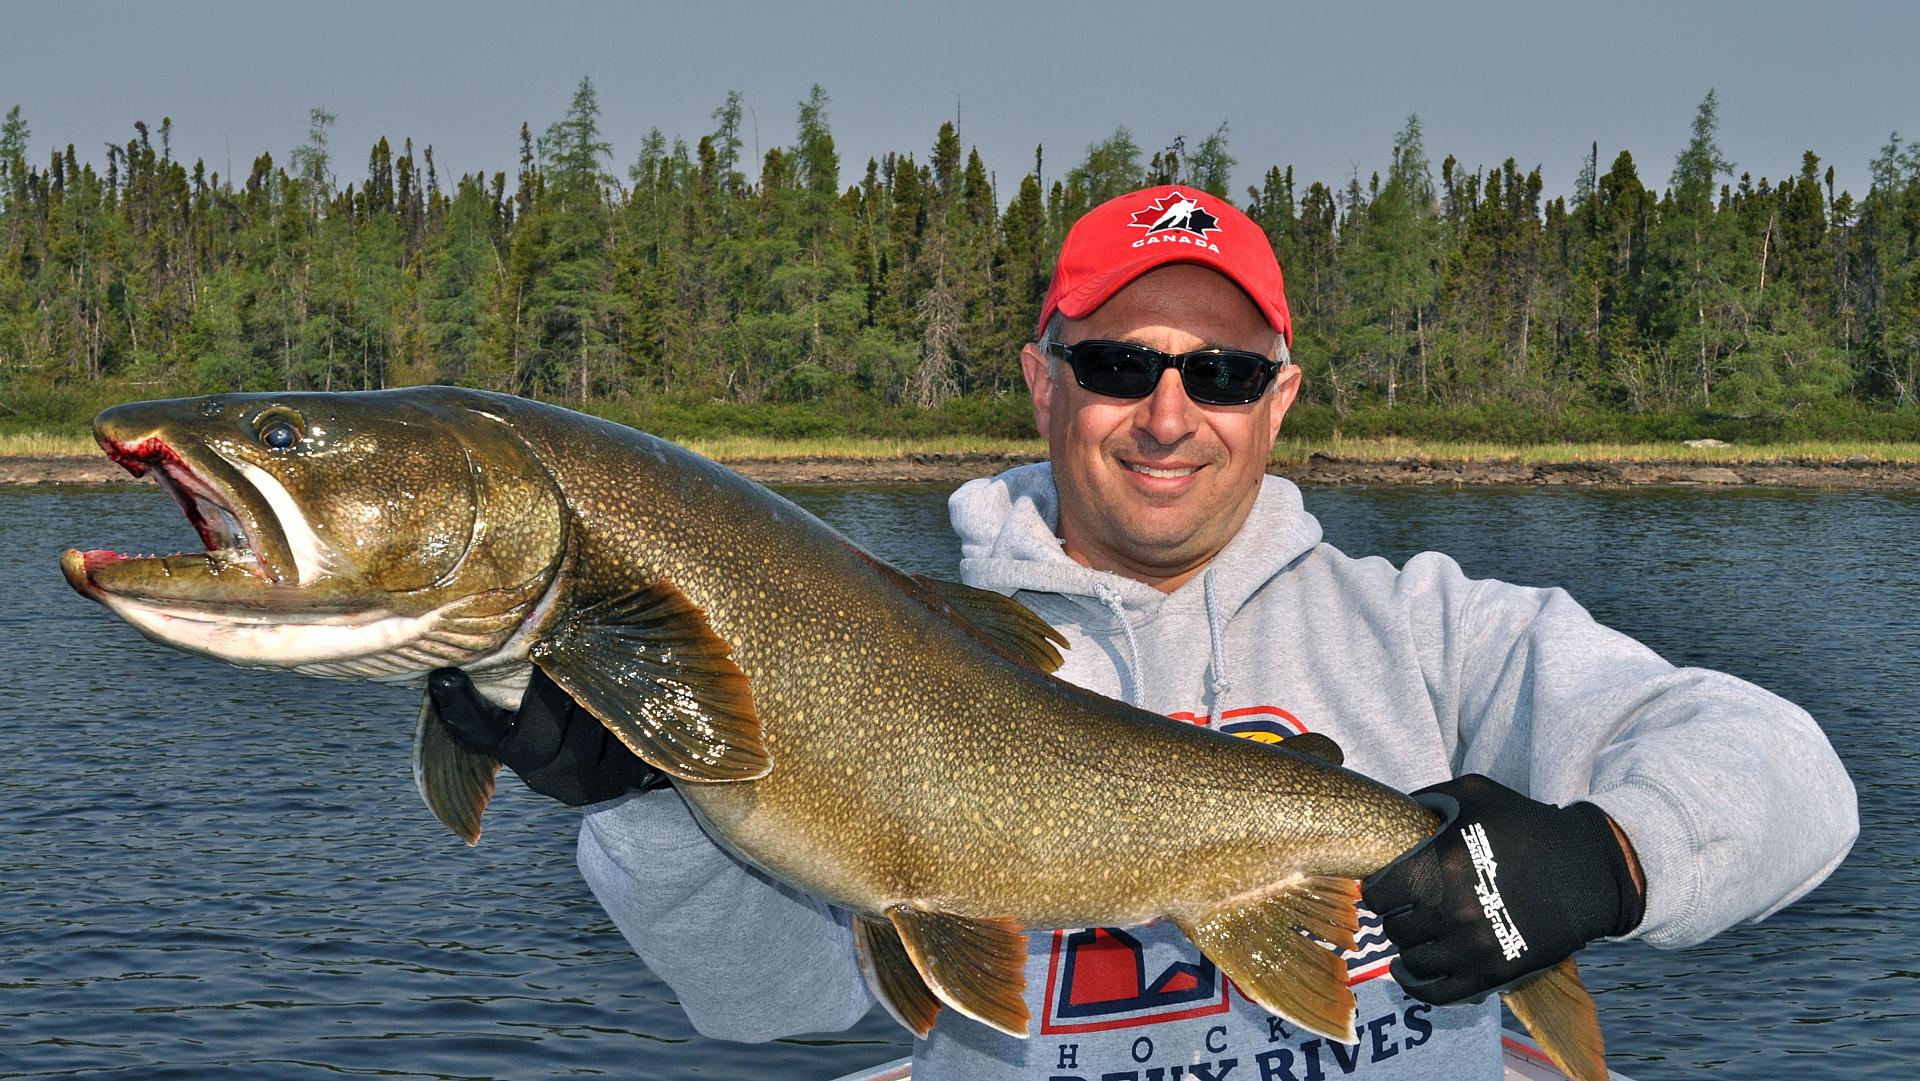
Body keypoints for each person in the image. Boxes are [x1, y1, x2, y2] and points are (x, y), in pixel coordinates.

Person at [427, 184, 1858, 1080]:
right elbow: (769, 1009)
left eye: (1223, 373)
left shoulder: (1426, 630)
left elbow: (1795, 777)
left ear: (1280, 401)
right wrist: (662, 790)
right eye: (1120, 364)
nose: (1170, 415)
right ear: (1043, 380)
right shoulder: (885, 650)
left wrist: (1597, 862)